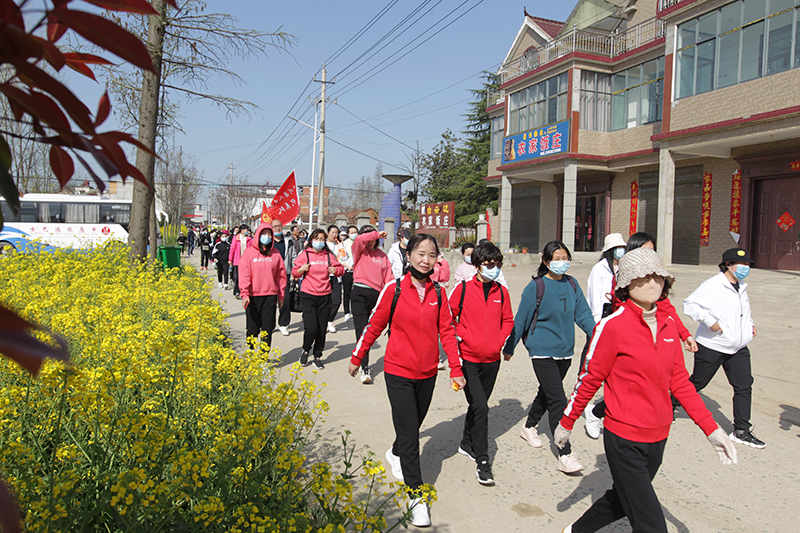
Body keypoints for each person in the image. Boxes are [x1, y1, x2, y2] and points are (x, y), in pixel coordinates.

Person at [556, 247, 738, 533]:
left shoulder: (667, 326)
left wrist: (712, 430)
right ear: (627, 283)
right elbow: (589, 379)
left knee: (624, 498)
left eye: (657, 276)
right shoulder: (612, 327)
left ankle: (575, 531)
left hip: (659, 436)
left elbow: (680, 383)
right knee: (651, 523)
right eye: (642, 277)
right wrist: (566, 423)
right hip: (623, 437)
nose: (652, 282)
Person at [348, 233, 465, 528]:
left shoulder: (439, 293)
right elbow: (374, 325)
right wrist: (357, 356)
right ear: (409, 255)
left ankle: (395, 451)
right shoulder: (394, 289)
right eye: (420, 254)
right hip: (398, 371)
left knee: (413, 425)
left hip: (427, 373)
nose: (426, 260)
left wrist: (455, 367)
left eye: (432, 255)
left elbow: (448, 332)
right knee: (411, 431)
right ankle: (416, 496)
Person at [582, 231, 698, 440]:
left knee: (645, 385)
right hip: (630, 339)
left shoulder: (655, 283)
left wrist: (684, 334)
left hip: (653, 335)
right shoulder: (626, 281)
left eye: (652, 251)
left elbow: (668, 311)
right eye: (645, 251)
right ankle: (597, 413)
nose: (650, 256)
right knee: (628, 386)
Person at [503, 240, 595, 474]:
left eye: (565, 258)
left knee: (547, 392)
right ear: (545, 261)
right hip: (541, 349)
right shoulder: (536, 286)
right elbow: (521, 318)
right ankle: (565, 453)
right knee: (558, 399)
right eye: (557, 258)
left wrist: (597, 335)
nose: (562, 263)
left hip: (565, 351)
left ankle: (529, 425)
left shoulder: (572, 284)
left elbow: (582, 313)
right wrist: (510, 346)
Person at [680, 247, 764, 448]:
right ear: (728, 265)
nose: (745, 268)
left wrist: (749, 324)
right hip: (713, 344)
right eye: (741, 264)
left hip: (738, 346)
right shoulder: (713, 285)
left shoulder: (741, 286)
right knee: (698, 382)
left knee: (744, 386)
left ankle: (741, 430)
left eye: (747, 265)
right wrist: (710, 322)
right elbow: (689, 304)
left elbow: (744, 311)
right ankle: (670, 403)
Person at [449, 241, 513, 486]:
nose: (493, 268)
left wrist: (499, 339)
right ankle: (483, 461)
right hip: (469, 359)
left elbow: (508, 320)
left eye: (497, 264)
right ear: (476, 265)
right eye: (488, 264)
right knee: (482, 408)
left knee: (478, 405)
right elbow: (448, 318)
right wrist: (463, 333)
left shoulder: (502, 292)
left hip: (492, 360)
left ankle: (466, 443)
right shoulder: (463, 289)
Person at [291, 228, 344, 369]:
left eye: (322, 239)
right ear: (311, 240)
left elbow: (341, 270)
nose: (319, 242)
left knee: (321, 328)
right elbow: (294, 272)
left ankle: (318, 355)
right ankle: (306, 349)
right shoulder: (305, 255)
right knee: (311, 328)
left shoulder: (328, 256)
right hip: (308, 295)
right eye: (316, 239)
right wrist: (301, 269)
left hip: (325, 296)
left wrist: (335, 270)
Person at [349, 225, 393, 384]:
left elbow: (389, 278)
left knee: (372, 330)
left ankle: (363, 360)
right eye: (367, 235)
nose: (370, 239)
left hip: (377, 296)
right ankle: (364, 366)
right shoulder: (359, 251)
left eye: (373, 236)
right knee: (362, 330)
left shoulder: (382, 255)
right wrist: (374, 233)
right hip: (359, 293)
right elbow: (359, 239)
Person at [238, 223, 287, 351]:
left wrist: (281, 295)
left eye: (269, 234)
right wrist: (244, 294)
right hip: (253, 296)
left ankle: (263, 358)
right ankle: (251, 352)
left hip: (270, 296)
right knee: (253, 329)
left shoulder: (275, 254)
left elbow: (280, 276)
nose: (267, 236)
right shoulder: (248, 253)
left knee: (267, 329)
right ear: (258, 235)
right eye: (264, 234)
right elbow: (244, 275)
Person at [271, 218, 298, 338]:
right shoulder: (268, 242)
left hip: (285, 275)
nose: (277, 228)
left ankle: (283, 324)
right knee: (270, 302)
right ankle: (270, 324)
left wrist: (294, 272)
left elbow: (293, 257)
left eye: (279, 225)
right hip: (270, 276)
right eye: (275, 226)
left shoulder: (288, 241)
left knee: (285, 300)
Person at [325, 224, 350, 333]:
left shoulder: (339, 245)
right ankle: (323, 321)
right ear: (328, 233)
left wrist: (341, 246)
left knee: (337, 301)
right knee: (325, 301)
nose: (334, 235)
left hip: (336, 276)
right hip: (324, 276)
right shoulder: (324, 244)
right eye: (332, 232)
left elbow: (345, 257)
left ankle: (329, 320)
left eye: (336, 233)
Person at [340, 225, 359, 322]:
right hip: (347, 271)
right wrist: (347, 266)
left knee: (356, 293)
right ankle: (347, 312)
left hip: (358, 271)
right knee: (347, 293)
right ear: (348, 234)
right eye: (351, 233)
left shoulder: (360, 243)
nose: (354, 234)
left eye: (355, 232)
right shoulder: (345, 243)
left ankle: (355, 311)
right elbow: (341, 258)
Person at [229, 225, 251, 299]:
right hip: (237, 261)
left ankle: (245, 292)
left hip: (247, 261)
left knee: (246, 278)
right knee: (237, 277)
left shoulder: (249, 239)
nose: (246, 231)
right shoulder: (236, 238)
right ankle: (236, 291)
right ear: (241, 230)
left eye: (247, 230)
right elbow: (232, 249)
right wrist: (230, 259)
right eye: (245, 229)